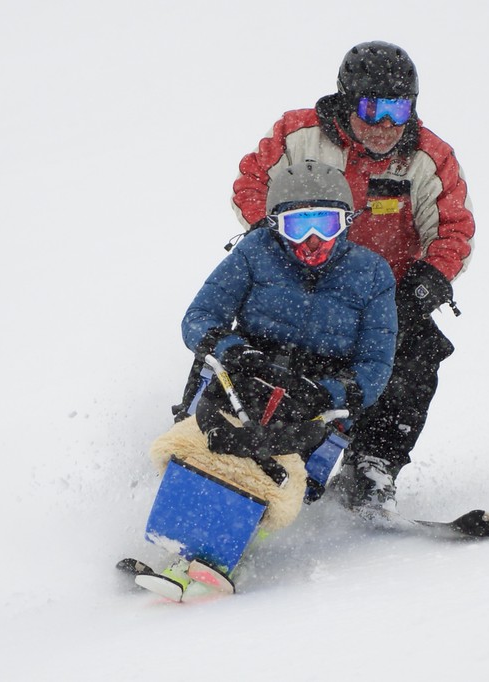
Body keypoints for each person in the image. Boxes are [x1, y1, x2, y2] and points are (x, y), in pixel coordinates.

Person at [133, 161, 397, 600]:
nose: (313, 240)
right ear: (276, 225)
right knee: (214, 441)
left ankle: (235, 551)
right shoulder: (256, 252)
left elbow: (376, 365)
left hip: (314, 395)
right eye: (298, 226)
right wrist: (234, 352)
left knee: (282, 465)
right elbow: (199, 318)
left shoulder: (371, 274)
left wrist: (328, 394)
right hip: (247, 374)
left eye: (326, 223)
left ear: (346, 223)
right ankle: (181, 542)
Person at [230, 41, 475, 513]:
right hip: (300, 277)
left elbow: (453, 227)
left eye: (398, 109)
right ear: (346, 99)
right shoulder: (297, 135)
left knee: (417, 352)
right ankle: (233, 445)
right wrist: (280, 238)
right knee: (271, 346)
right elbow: (250, 182)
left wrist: (425, 282)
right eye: (372, 108)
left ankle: (372, 464)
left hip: (384, 294)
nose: (385, 125)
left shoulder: (427, 158)